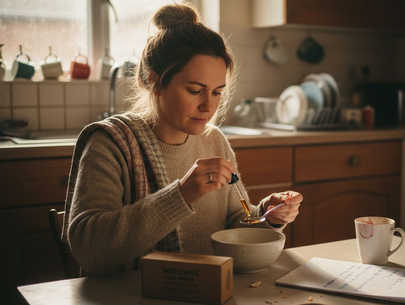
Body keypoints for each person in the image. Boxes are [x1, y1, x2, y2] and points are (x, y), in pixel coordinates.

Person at [61, 3, 302, 276]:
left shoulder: (215, 141)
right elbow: (88, 249)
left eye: (216, 92)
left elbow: (235, 226)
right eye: (195, 90)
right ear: (154, 82)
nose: (208, 107)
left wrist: (267, 215)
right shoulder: (110, 143)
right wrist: (181, 195)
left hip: (210, 290)